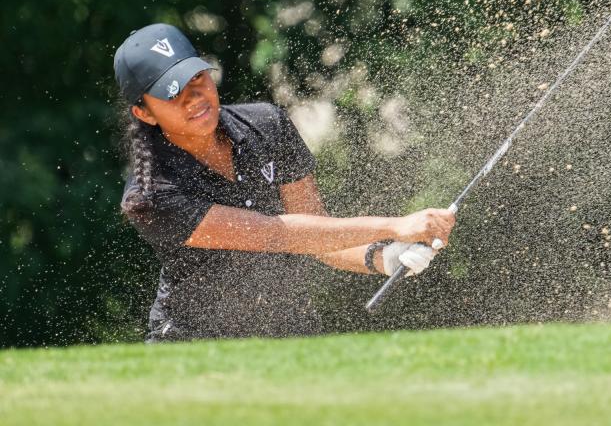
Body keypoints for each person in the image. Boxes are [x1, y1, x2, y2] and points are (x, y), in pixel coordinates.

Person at [115, 23, 455, 342]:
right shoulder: (151, 193)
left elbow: (316, 232)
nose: (194, 98)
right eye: (172, 94)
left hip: (292, 332)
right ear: (144, 113)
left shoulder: (268, 125)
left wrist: (384, 257)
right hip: (196, 345)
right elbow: (276, 234)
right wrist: (396, 226)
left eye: (197, 79)